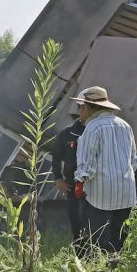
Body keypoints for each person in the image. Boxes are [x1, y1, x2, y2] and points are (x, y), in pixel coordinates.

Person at [73, 86, 137, 253]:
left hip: (100, 196)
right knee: (120, 243)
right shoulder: (125, 126)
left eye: (80, 108)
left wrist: (79, 183)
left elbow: (86, 167)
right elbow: (133, 161)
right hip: (126, 193)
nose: (79, 113)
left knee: (98, 243)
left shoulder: (93, 127)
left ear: (86, 107)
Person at [51, 90, 87, 244]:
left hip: (95, 185)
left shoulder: (99, 131)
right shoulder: (68, 133)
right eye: (83, 107)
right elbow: (56, 157)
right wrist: (58, 179)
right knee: (76, 223)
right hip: (73, 186)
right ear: (79, 109)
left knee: (93, 223)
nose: (86, 111)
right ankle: (79, 255)